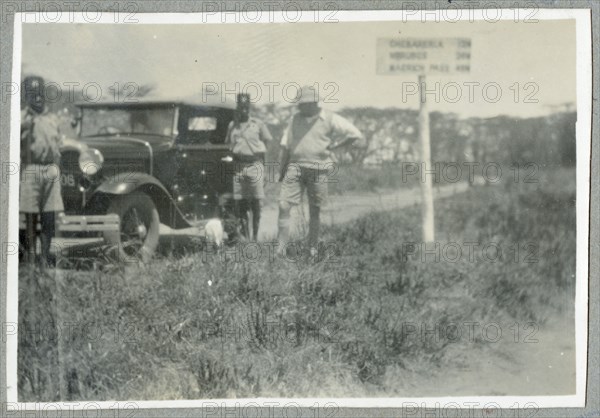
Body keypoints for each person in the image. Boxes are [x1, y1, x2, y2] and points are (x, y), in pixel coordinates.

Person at [277, 85, 365, 256]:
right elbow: (285, 145)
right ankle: (280, 249)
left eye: (304, 104)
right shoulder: (294, 119)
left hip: (319, 168)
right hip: (295, 167)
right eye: (299, 104)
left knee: (315, 209)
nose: (301, 107)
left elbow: (355, 135)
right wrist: (281, 170)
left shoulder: (330, 118)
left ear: (314, 103)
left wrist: (337, 147)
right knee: (283, 205)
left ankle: (312, 248)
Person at [19, 75, 64, 266]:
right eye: (32, 95)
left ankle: (44, 258)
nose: (37, 98)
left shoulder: (53, 118)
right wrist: (24, 126)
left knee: (49, 216)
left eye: (39, 94)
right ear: (26, 97)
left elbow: (59, 146)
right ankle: (30, 258)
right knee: (30, 216)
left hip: (51, 169)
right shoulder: (21, 118)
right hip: (31, 168)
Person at [225, 93, 273, 240]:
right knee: (241, 203)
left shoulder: (258, 124)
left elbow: (268, 142)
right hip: (238, 167)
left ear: (249, 107)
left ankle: (255, 237)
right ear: (238, 107)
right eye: (241, 107)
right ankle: (245, 237)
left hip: (255, 165)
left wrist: (266, 168)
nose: (244, 110)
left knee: (257, 203)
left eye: (246, 106)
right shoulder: (232, 125)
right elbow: (228, 144)